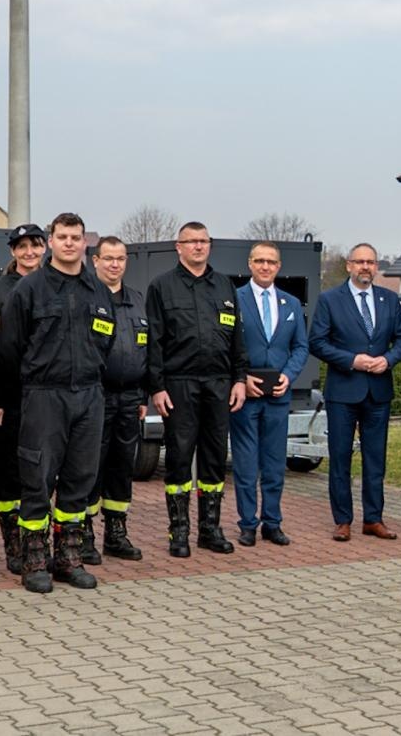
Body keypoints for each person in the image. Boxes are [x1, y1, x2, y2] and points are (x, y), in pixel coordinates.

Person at [0, 213, 110, 593]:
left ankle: (69, 558)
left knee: (79, 479)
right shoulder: (29, 290)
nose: (70, 243)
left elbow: (106, 340)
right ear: (51, 242)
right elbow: (10, 349)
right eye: (63, 237)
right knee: (37, 479)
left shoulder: (98, 291)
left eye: (76, 237)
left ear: (84, 242)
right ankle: (34, 560)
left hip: (89, 395)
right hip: (44, 395)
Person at [145, 222, 250, 558]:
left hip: (219, 384)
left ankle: (210, 529)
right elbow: (154, 342)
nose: (198, 246)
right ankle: (179, 532)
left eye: (203, 241)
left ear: (209, 245)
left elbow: (237, 339)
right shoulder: (162, 286)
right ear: (179, 247)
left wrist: (239, 379)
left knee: (215, 457)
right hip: (179, 384)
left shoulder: (224, 285)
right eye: (191, 241)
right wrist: (157, 387)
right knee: (178, 458)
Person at [309, 243, 401, 542]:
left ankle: (373, 519)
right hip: (343, 391)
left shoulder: (390, 300)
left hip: (378, 391)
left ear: (376, 267)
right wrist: (352, 360)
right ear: (349, 265)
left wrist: (388, 360)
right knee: (340, 458)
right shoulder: (329, 300)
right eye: (360, 261)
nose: (366, 266)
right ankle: (343, 520)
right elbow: (317, 342)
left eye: (371, 262)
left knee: (375, 459)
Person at [231, 241, 309, 547]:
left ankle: (272, 522)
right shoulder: (234, 299)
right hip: (245, 396)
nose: (265, 266)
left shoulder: (291, 303)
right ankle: (248, 524)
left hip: (278, 397)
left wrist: (289, 376)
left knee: (275, 463)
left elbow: (300, 347)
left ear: (278, 266)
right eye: (260, 261)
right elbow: (225, 345)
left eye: (271, 262)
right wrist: (241, 378)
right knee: (246, 463)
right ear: (250, 264)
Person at [0, 222, 46, 574]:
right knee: (9, 471)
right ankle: (14, 545)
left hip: (47, 395)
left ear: (44, 248)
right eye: (22, 247)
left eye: (35, 245)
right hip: (9, 396)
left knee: (42, 470)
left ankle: (37, 540)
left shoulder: (53, 283)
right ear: (12, 251)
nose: (29, 252)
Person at [85, 236, 148, 562]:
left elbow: (147, 349)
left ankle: (116, 533)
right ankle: (84, 535)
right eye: (108, 258)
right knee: (91, 466)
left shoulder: (137, 300)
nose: (114, 264)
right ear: (95, 260)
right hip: (96, 396)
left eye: (120, 259)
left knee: (123, 467)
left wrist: (143, 395)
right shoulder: (86, 296)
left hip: (130, 398)